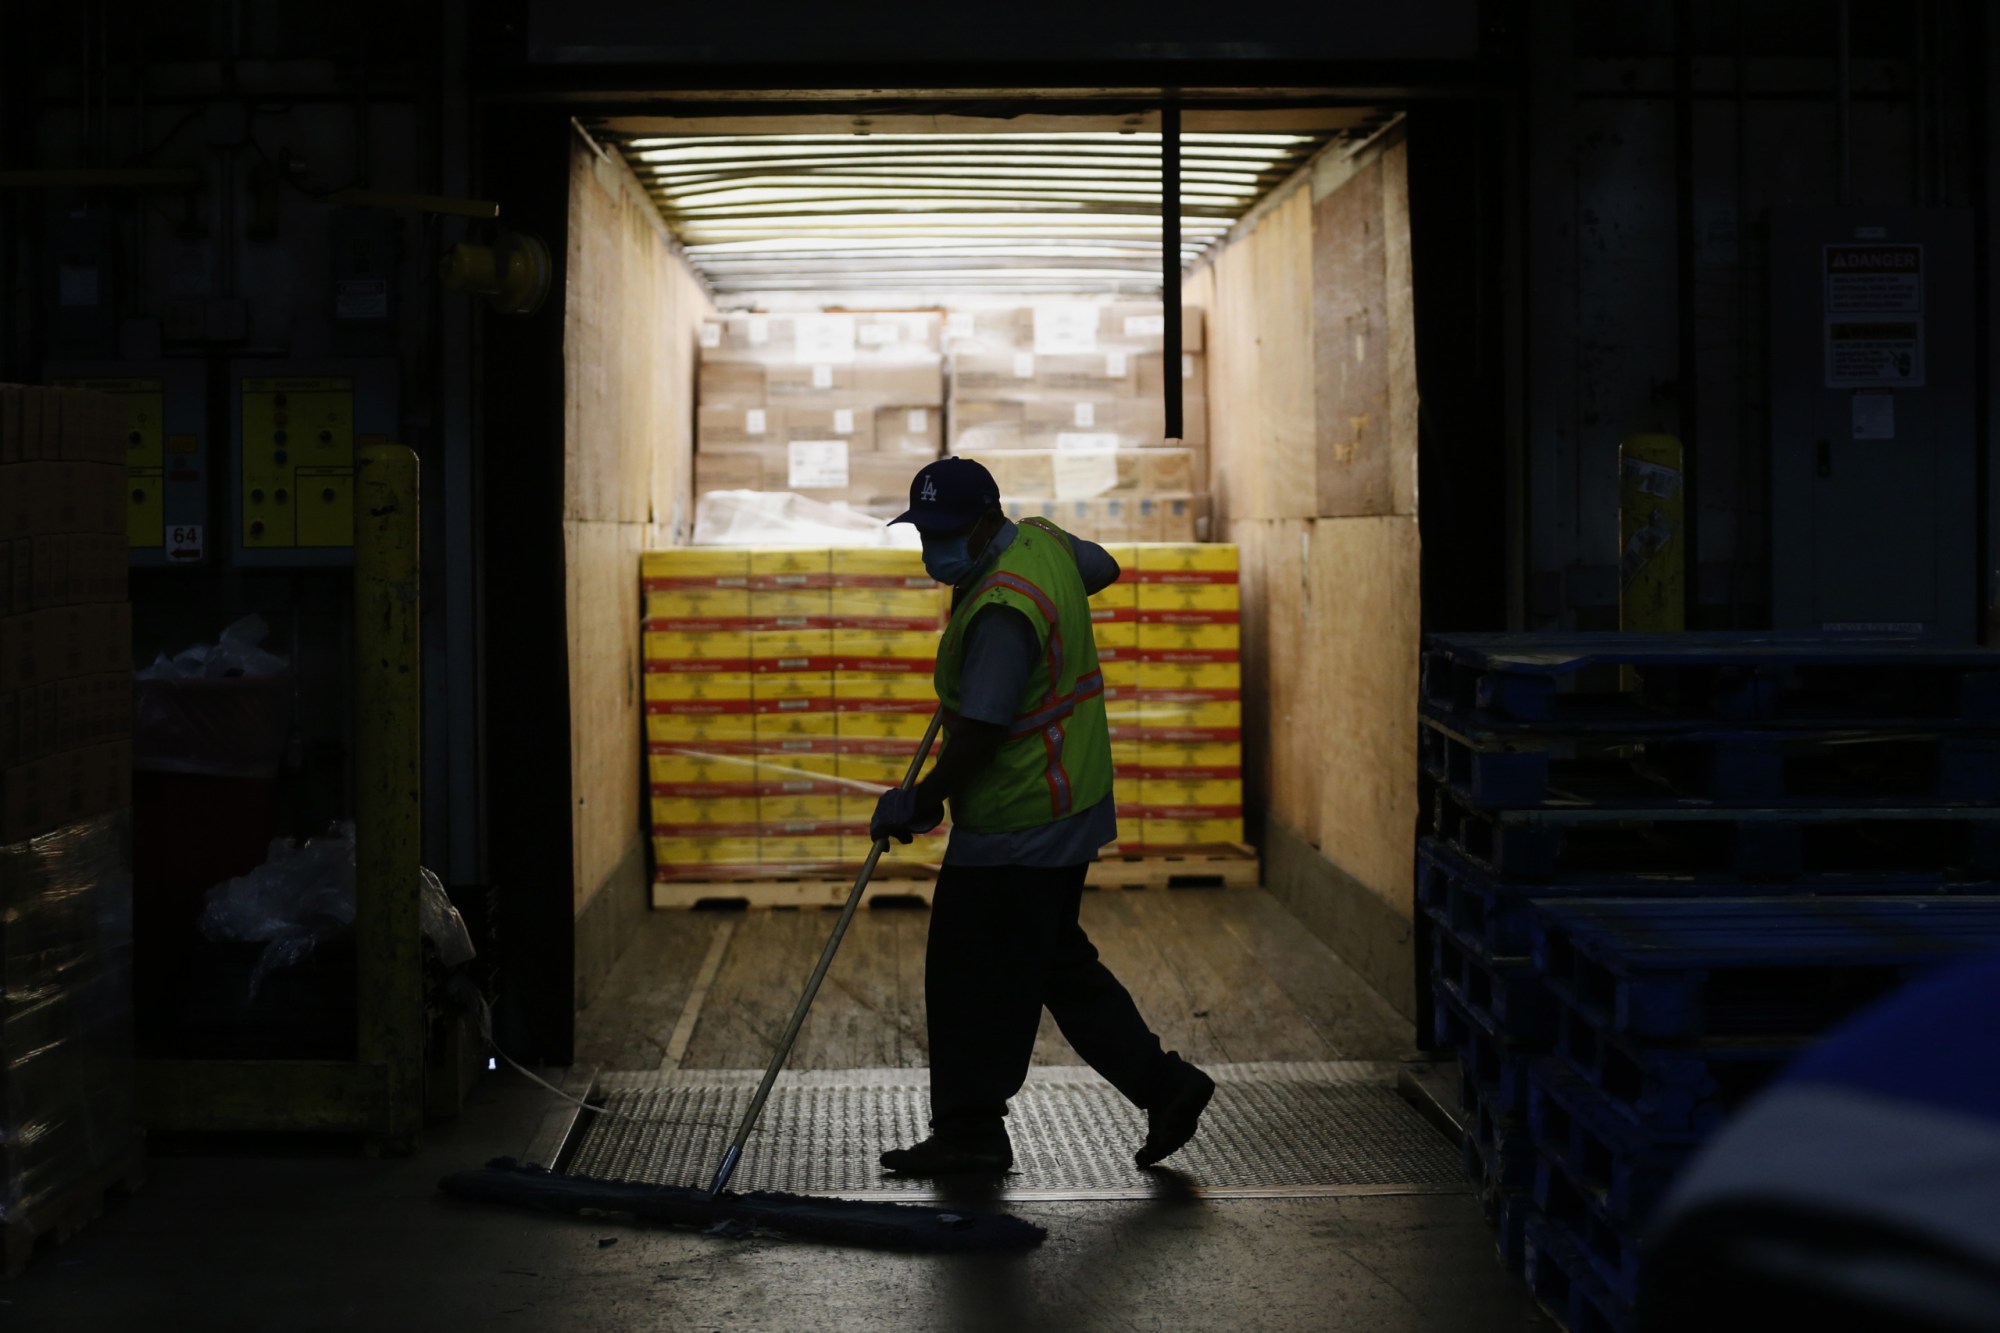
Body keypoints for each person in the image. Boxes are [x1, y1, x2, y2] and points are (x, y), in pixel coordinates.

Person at [869, 456, 1215, 1177]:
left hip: (1019, 817)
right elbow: (1105, 565)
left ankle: (970, 1131)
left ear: (987, 520)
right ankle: (1167, 1085)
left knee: (965, 970)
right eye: (925, 532)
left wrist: (922, 800)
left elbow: (985, 729)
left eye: (945, 532)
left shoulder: (1001, 608)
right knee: (1054, 960)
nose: (934, 548)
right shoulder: (1045, 544)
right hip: (1072, 800)